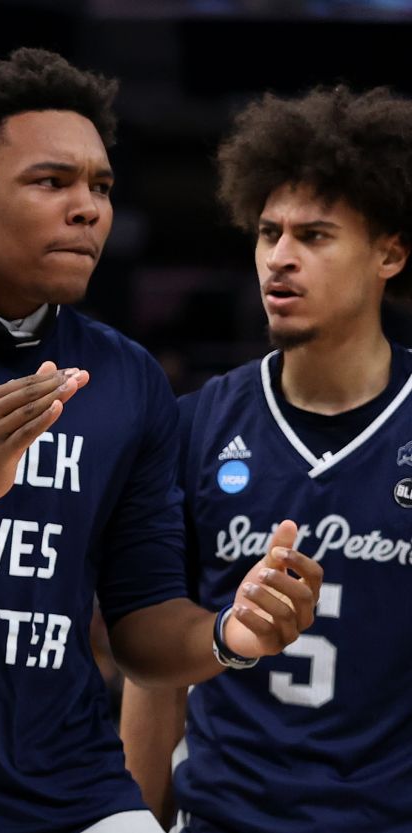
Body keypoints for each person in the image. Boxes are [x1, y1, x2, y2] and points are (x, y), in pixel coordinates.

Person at [0, 47, 322, 833]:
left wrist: (229, 634)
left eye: (101, 187)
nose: (89, 209)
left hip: (70, 791)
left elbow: (143, 630)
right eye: (53, 182)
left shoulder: (128, 378)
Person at [121, 85, 412, 833]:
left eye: (314, 236)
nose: (279, 259)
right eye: (267, 233)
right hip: (223, 818)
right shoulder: (195, 426)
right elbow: (155, 675)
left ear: (389, 252)